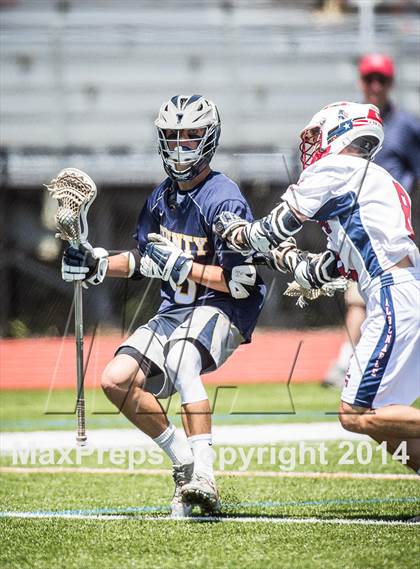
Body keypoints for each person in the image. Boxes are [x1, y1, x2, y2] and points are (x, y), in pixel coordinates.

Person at [61, 94, 266, 516]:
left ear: (208, 140)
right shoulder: (160, 199)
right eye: (171, 138)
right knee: (116, 380)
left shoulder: (222, 196)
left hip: (222, 308)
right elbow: (145, 263)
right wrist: (97, 263)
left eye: (189, 138)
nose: (178, 148)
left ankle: (205, 475)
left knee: (183, 359)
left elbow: (241, 283)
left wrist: (185, 266)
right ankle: (184, 464)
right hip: (175, 311)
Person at [214, 100, 420, 473]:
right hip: (405, 289)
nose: (310, 147)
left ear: (341, 131)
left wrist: (236, 232)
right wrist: (289, 260)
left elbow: (271, 229)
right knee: (382, 420)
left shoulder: (336, 167)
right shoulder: (378, 179)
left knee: (355, 414)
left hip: (394, 297)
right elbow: (329, 266)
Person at [323, 53, 420, 388]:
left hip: (393, 228)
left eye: (382, 79)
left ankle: (367, 364)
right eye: (370, 79)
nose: (376, 85)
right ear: (362, 82)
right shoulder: (348, 121)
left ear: (390, 83)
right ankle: (348, 362)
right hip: (356, 227)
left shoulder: (407, 126)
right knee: (357, 298)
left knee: (397, 297)